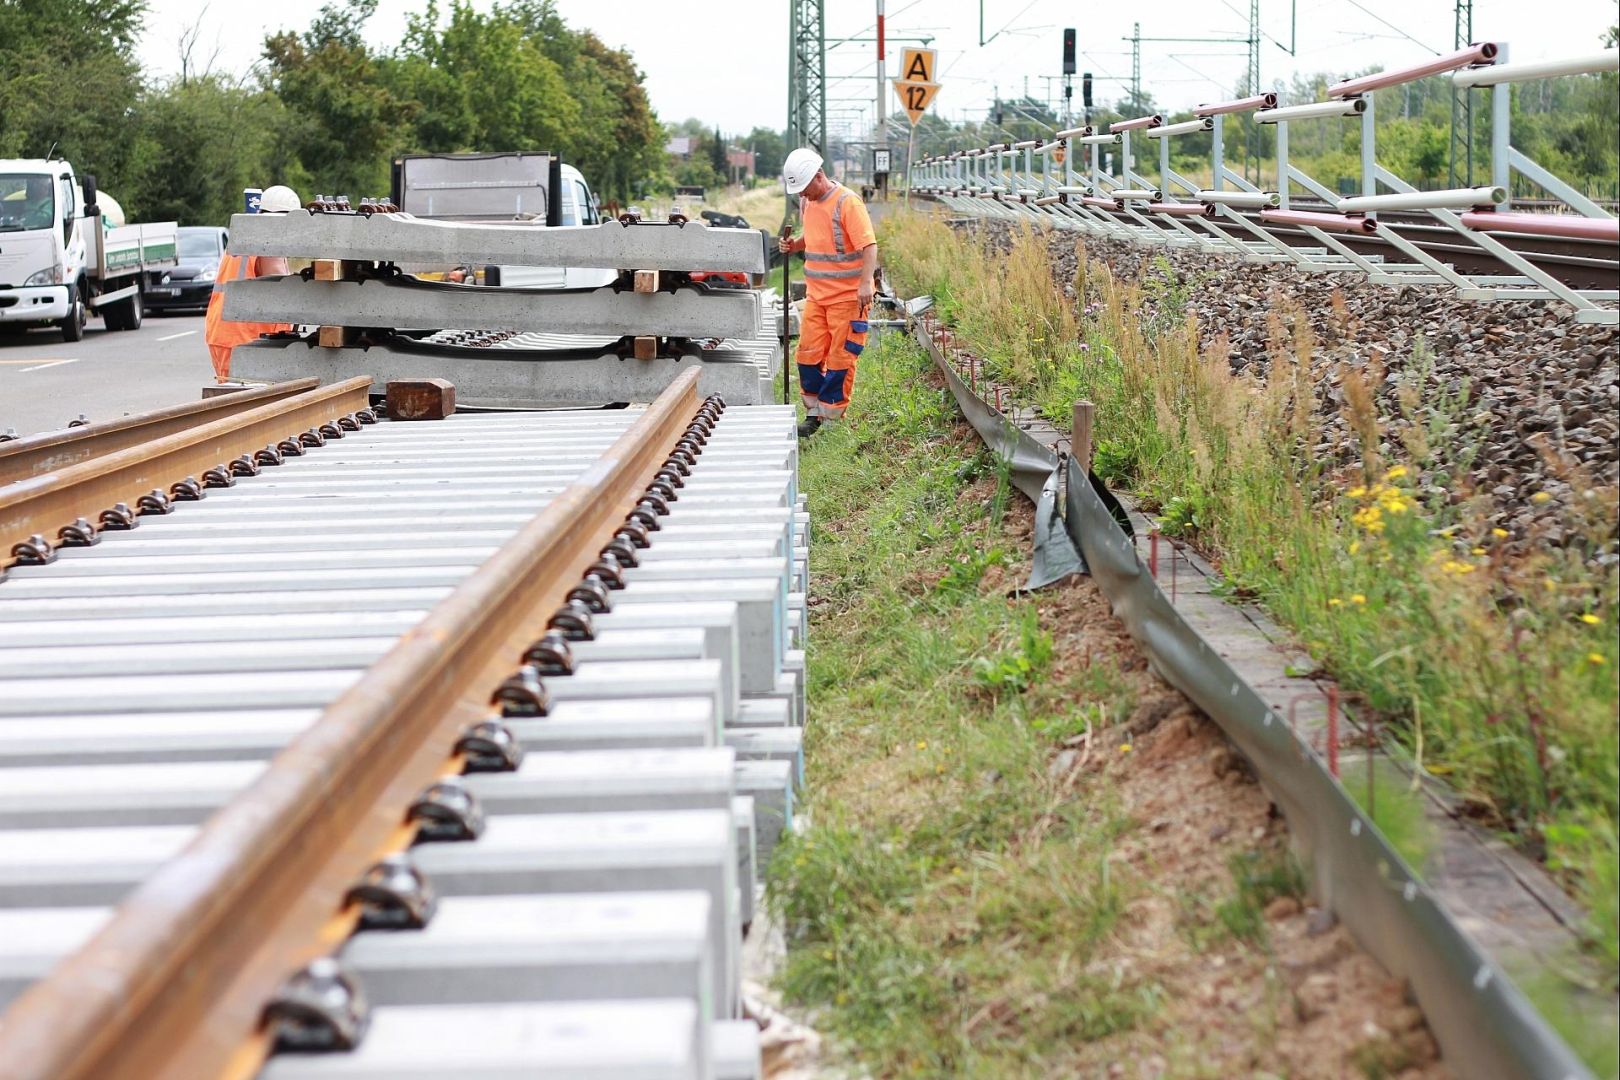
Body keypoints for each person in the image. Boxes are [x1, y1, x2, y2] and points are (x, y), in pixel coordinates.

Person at [778, 149, 878, 439]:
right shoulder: (807, 202)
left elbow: (869, 246)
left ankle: (832, 419)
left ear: (819, 176)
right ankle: (813, 414)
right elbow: (815, 236)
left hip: (848, 298)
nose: (802, 194)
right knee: (807, 355)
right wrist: (794, 245)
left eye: (805, 188)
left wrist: (865, 283)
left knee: (840, 359)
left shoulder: (847, 202)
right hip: (817, 296)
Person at [204, 184, 299, 381]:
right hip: (244, 338)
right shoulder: (269, 241)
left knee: (232, 394)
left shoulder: (246, 237)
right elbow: (283, 289)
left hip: (226, 334)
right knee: (247, 395)